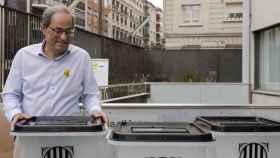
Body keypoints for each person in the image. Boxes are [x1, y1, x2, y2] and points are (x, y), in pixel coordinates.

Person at [2, 6, 108, 129]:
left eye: (68, 31)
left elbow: (90, 94)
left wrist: (95, 110)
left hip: (70, 132)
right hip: (30, 132)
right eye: (58, 31)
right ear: (43, 28)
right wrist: (15, 113)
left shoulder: (81, 57)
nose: (64, 37)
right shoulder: (24, 56)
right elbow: (11, 94)